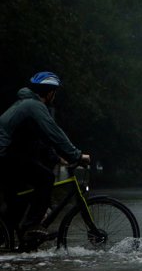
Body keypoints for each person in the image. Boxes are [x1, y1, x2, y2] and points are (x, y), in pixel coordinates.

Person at [0, 71, 90, 240]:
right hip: (5, 156)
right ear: (50, 93)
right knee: (45, 178)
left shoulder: (26, 104)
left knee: (19, 201)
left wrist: (58, 158)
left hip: (9, 156)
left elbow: (42, 141)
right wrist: (77, 156)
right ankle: (31, 227)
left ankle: (15, 243)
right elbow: (55, 134)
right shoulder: (34, 106)